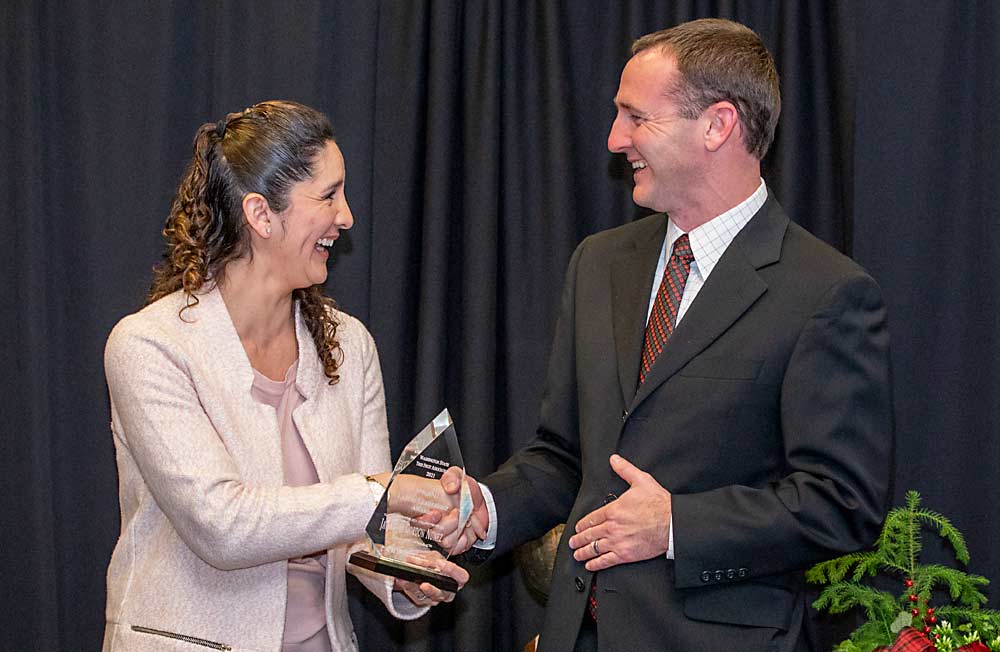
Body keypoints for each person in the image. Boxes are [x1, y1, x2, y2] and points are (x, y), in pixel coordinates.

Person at [452, 18, 893, 652]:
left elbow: (842, 503)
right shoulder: (600, 262)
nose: (613, 139)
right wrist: (482, 510)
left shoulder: (824, 291)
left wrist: (677, 525)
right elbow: (565, 456)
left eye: (637, 118)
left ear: (717, 125)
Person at [102, 100, 471, 652]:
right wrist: (382, 493)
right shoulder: (150, 346)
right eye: (328, 195)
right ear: (260, 214)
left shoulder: (350, 346)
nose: (346, 217)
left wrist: (403, 573)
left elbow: (360, 532)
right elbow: (221, 527)